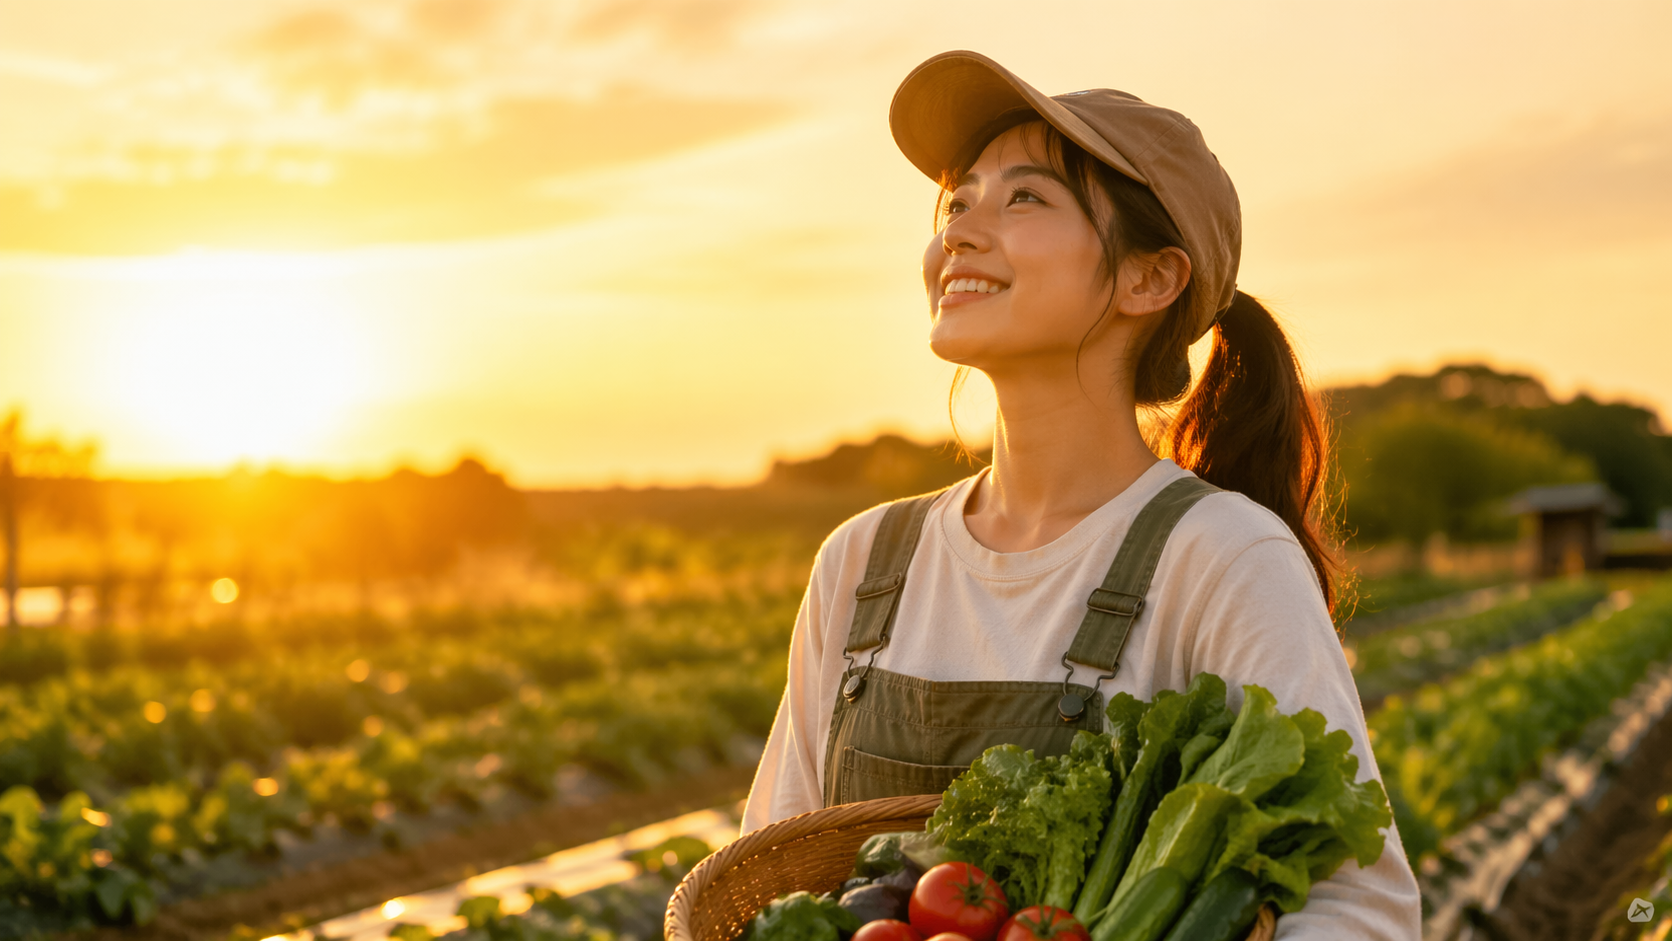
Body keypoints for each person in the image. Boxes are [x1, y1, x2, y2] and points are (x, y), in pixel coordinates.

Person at [741, 50, 1422, 939]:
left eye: (1023, 197)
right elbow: (770, 873)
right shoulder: (864, 561)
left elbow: (1359, 905)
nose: (960, 231)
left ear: (1150, 278)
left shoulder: (1221, 556)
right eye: (958, 200)